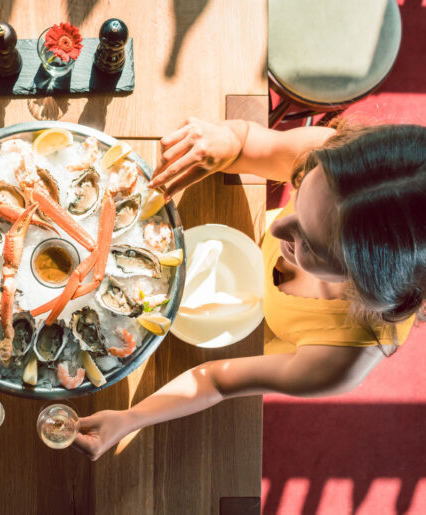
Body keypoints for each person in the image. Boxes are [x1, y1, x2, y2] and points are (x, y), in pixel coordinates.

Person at [73, 117, 425, 460]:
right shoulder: (341, 165)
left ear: (364, 282)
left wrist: (128, 418)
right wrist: (227, 143)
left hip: (241, 338)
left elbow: (216, 381)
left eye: (309, 243)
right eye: (299, 191)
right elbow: (246, 141)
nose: (277, 227)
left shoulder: (341, 360)